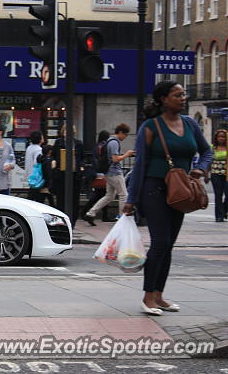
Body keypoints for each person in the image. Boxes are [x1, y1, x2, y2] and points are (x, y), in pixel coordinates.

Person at [124, 81, 212, 315]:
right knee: (160, 242)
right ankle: (147, 297)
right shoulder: (151, 127)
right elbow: (140, 165)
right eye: (177, 95)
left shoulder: (190, 124)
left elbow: (207, 151)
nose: (183, 98)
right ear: (163, 99)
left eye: (184, 94)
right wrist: (131, 200)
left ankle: (159, 295)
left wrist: (201, 168)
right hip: (154, 189)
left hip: (181, 190)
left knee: (169, 245)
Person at [84, 124, 134, 226]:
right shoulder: (114, 143)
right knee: (124, 195)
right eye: (125, 134)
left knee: (109, 196)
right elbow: (115, 159)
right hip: (115, 172)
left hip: (108, 172)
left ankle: (91, 213)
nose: (125, 137)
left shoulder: (109, 141)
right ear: (120, 132)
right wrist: (127, 154)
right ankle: (122, 218)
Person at [51, 125, 84, 226]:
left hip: (75, 176)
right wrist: (53, 162)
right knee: (61, 200)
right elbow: (53, 155)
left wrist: (82, 166)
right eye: (65, 130)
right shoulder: (58, 142)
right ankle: (61, 222)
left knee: (75, 200)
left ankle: (72, 222)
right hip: (61, 175)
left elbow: (82, 158)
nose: (67, 133)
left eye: (69, 131)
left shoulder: (78, 143)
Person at [81, 130, 114, 225]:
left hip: (98, 172)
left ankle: (91, 214)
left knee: (102, 195)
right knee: (103, 195)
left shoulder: (97, 146)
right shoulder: (103, 146)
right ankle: (89, 213)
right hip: (102, 173)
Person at [208, 129, 227, 222]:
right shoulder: (212, 148)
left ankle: (224, 210)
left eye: (223, 136)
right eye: (219, 136)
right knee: (218, 195)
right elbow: (208, 161)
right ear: (216, 138)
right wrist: (206, 173)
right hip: (215, 174)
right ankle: (219, 216)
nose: (221, 138)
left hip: (227, 175)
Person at [25, 131, 44, 199]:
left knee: (31, 195)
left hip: (29, 175)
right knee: (35, 197)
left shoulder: (29, 148)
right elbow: (37, 163)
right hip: (36, 178)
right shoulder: (39, 149)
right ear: (40, 139)